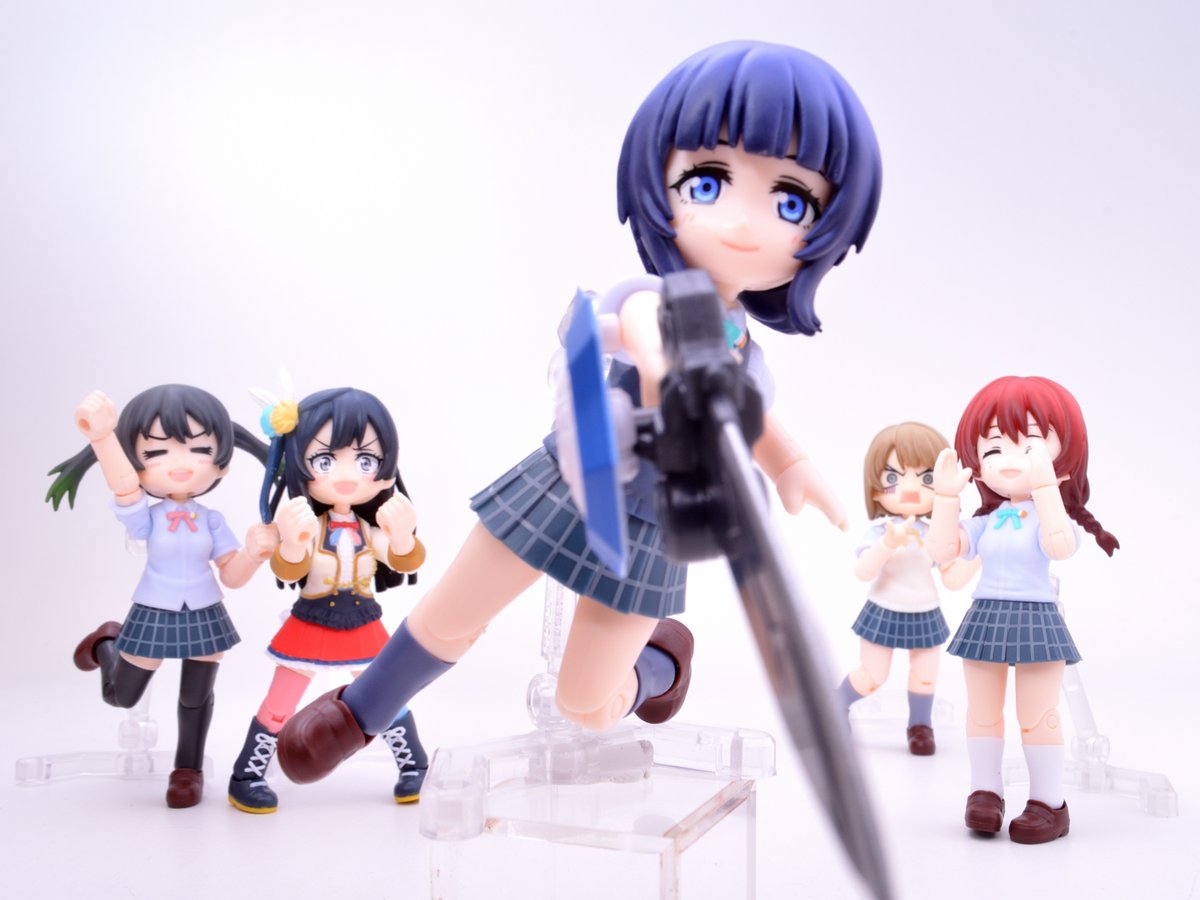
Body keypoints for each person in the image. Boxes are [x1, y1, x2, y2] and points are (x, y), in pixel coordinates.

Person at [276, 40, 884, 785]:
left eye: (790, 202)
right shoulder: (650, 298)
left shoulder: (745, 354)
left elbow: (748, 417)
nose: (741, 222)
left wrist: (791, 466)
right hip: (569, 480)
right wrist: (653, 359)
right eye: (707, 182)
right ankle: (358, 712)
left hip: (651, 527)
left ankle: (661, 662)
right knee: (451, 612)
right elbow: (633, 328)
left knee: (588, 703)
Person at [50, 384, 277, 808]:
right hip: (154, 609)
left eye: (199, 450)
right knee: (121, 696)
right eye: (155, 452)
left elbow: (232, 576)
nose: (180, 464)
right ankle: (106, 644)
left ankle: (187, 770)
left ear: (222, 462)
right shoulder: (146, 516)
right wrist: (102, 437)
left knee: (196, 698)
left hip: (205, 612)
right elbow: (123, 486)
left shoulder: (212, 520)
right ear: (136, 461)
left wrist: (254, 553)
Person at [926, 375, 1118, 843]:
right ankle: (984, 792)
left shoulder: (1050, 514)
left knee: (1037, 714)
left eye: (1030, 445)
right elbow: (941, 552)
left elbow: (1059, 546)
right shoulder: (988, 520)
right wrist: (946, 498)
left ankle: (1049, 803)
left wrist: (1046, 486)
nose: (1010, 460)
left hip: (1037, 618)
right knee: (983, 712)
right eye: (994, 448)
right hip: (986, 616)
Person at [226, 387, 428, 813]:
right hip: (311, 622)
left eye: (366, 461)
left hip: (362, 623)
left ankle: (415, 765)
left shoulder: (369, 528)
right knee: (280, 703)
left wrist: (403, 536)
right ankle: (247, 774)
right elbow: (288, 569)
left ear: (386, 470)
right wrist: (292, 543)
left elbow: (404, 558)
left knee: (386, 698)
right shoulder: (309, 526)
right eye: (325, 461)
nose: (347, 474)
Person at [836, 422, 978, 755]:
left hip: (925, 610)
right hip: (883, 609)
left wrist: (982, 553)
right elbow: (863, 571)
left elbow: (952, 578)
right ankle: (836, 704)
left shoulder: (937, 533)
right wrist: (888, 543)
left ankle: (920, 726)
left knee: (925, 675)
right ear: (875, 490)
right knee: (872, 676)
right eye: (893, 477)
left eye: (926, 478)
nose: (910, 489)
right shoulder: (879, 532)